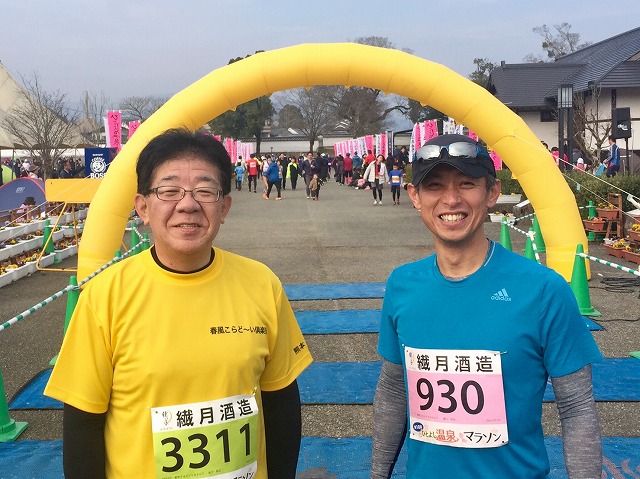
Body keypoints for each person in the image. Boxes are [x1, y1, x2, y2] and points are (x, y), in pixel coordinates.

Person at [44, 129, 313, 479]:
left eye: (205, 191)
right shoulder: (104, 296)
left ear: (224, 207)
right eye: (169, 191)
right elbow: (83, 425)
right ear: (143, 207)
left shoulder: (262, 284)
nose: (188, 204)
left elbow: (281, 404)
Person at [371, 134, 602, 479]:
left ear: (492, 193)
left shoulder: (543, 290)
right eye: (434, 186)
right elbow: (392, 390)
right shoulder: (402, 285)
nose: (451, 199)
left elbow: (577, 407)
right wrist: (378, 473)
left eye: (467, 183)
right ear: (415, 197)